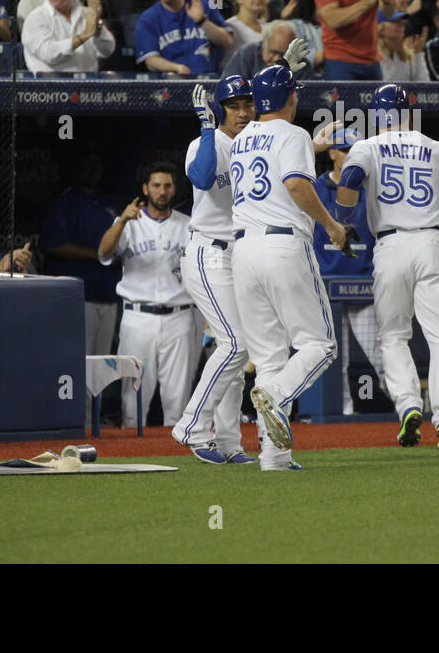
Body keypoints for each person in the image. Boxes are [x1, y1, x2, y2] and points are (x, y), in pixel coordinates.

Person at [336, 84, 439, 449]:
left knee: (394, 336)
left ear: (377, 115)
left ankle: (409, 405)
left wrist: (344, 219)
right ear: (407, 112)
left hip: (391, 245)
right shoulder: (435, 147)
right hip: (431, 243)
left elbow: (349, 180)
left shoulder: (366, 147)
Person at [231, 63, 351, 471]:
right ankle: (279, 396)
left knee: (268, 358)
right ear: (290, 98)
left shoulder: (241, 138)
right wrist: (333, 226)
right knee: (321, 345)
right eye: (295, 93)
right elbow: (297, 184)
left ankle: (274, 456)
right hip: (282, 243)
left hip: (243, 252)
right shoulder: (294, 133)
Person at [171, 76, 268, 464]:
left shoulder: (255, 140)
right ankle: (191, 426)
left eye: (248, 104)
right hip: (208, 252)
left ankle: (228, 443)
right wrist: (207, 127)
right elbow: (201, 177)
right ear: (219, 109)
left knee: (236, 349)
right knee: (234, 343)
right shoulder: (206, 142)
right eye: (233, 105)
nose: (243, 112)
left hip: (239, 255)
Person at [98, 163, 196, 429]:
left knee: (178, 401)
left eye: (167, 186)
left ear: (174, 189)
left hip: (179, 315)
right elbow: (104, 253)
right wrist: (122, 221)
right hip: (138, 316)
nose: (161, 191)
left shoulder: (188, 225)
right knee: (132, 402)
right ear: (145, 189)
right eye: (156, 185)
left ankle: (181, 461)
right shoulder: (128, 223)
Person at [308, 127, 382, 416]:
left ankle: (407, 406)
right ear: (333, 153)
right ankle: (344, 415)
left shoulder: (371, 188)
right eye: (346, 150)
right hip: (327, 285)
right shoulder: (314, 187)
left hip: (364, 283)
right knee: (334, 357)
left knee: (383, 355)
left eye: (356, 151)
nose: (352, 157)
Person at [40, 152, 123, 356]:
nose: (92, 169)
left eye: (96, 163)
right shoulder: (63, 202)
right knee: (79, 362)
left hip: (110, 296)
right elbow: (54, 244)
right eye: (87, 163)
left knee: (104, 363)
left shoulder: (110, 203)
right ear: (76, 167)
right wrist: (100, 255)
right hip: (77, 298)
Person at [135, 0, 233, 75]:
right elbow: (151, 61)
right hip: (172, 83)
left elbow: (227, 41)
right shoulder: (148, 18)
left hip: (208, 80)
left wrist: (202, 21)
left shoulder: (205, 6)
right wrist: (177, 68)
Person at [21, 0, 115, 72]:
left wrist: (97, 26)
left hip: (88, 85)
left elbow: (107, 51)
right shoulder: (35, 18)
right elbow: (49, 54)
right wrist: (84, 35)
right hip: (50, 86)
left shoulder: (86, 14)